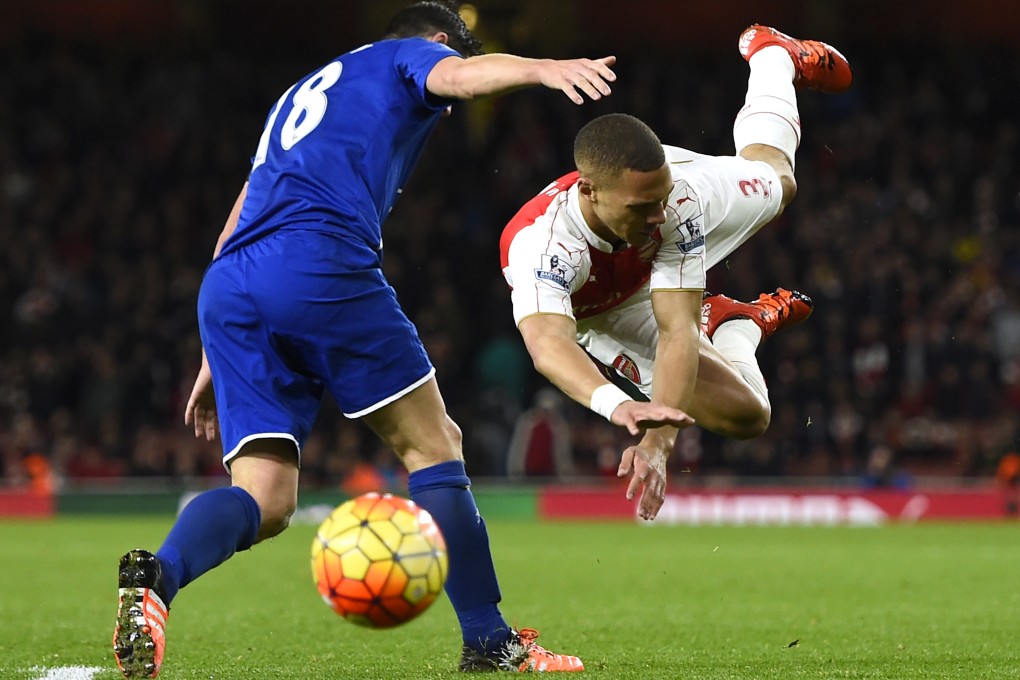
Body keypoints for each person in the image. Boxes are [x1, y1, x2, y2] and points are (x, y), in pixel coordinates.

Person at [111, 3, 683, 677]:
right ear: (439, 43)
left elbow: (241, 213)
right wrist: (542, 70)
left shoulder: (301, 94)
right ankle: (489, 642)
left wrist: (215, 346)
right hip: (318, 261)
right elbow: (462, 81)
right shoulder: (403, 57)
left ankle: (158, 577)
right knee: (433, 444)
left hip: (232, 283)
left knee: (265, 497)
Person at [499, 25, 852, 520]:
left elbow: (677, 328)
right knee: (748, 416)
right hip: (605, 312)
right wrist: (616, 407)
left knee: (781, 180)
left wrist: (660, 441)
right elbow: (548, 344)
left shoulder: (675, 202)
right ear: (589, 192)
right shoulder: (543, 245)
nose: (659, 217)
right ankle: (737, 322)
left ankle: (773, 56)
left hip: (677, 232)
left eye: (660, 201)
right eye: (644, 206)